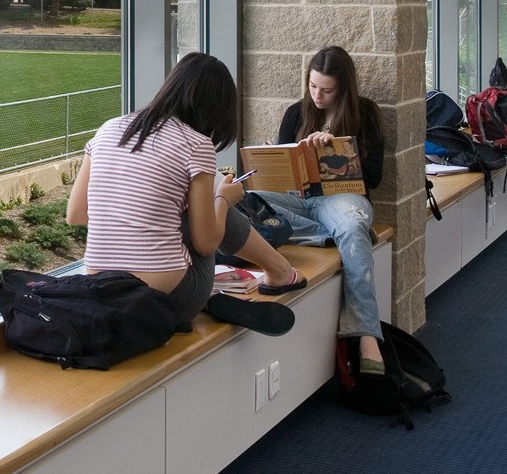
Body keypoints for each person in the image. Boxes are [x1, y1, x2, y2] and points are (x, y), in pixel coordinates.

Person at [68, 52, 303, 336]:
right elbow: (206, 245)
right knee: (213, 204)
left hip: (104, 293)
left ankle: (239, 287)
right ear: (216, 107)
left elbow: (76, 215)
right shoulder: (197, 144)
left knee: (180, 208)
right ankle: (278, 271)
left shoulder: (108, 129)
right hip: (170, 299)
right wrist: (223, 199)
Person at [229, 47, 388, 375]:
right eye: (313, 86)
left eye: (327, 90)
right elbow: (281, 173)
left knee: (349, 221)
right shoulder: (295, 113)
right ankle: (338, 234)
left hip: (342, 198)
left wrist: (337, 151)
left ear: (343, 88)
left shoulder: (366, 114)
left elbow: (374, 177)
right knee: (248, 197)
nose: (318, 95)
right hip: (299, 201)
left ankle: (367, 334)